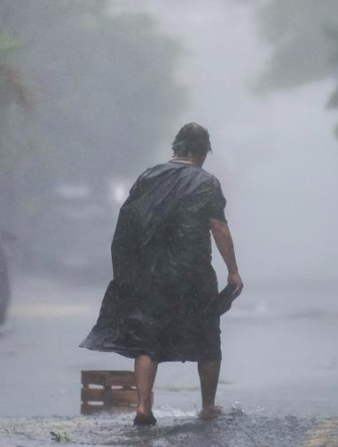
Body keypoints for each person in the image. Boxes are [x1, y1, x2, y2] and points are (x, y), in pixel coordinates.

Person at [80, 122, 243, 426]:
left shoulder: (148, 177)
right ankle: (208, 407)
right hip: (193, 274)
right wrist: (233, 271)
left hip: (150, 275)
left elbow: (126, 224)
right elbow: (218, 228)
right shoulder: (206, 182)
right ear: (201, 152)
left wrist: (126, 272)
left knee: (148, 340)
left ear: (177, 149)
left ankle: (142, 406)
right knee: (207, 338)